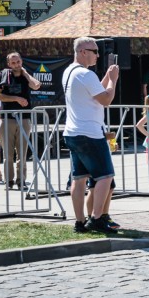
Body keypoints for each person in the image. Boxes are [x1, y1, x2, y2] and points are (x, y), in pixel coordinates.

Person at [62, 37, 120, 234]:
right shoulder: (85, 74)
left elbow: (94, 92)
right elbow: (105, 99)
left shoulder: (70, 72)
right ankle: (96, 218)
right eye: (94, 51)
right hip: (89, 133)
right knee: (105, 176)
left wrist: (105, 77)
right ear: (82, 52)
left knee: (78, 179)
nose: (97, 55)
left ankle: (79, 222)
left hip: (73, 132)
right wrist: (113, 80)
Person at [0, 52, 41, 190]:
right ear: (9, 64)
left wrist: (25, 73)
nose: (16, 65)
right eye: (13, 63)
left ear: (21, 61)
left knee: (22, 153)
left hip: (24, 118)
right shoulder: (3, 74)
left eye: (18, 61)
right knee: (8, 153)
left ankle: (21, 181)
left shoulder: (26, 75)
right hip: (8, 118)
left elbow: (36, 86)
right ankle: (8, 181)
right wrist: (16, 98)